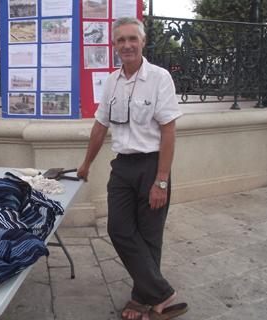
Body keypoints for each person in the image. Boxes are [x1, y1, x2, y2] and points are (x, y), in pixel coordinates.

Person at [77, 17, 187, 320]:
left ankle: (142, 300)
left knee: (149, 236)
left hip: (153, 166)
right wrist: (86, 163)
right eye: (120, 40)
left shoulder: (160, 77)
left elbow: (169, 130)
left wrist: (161, 180)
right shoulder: (111, 80)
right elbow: (101, 125)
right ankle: (164, 293)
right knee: (119, 229)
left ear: (143, 42)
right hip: (123, 167)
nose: (126, 45)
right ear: (114, 46)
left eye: (132, 39)